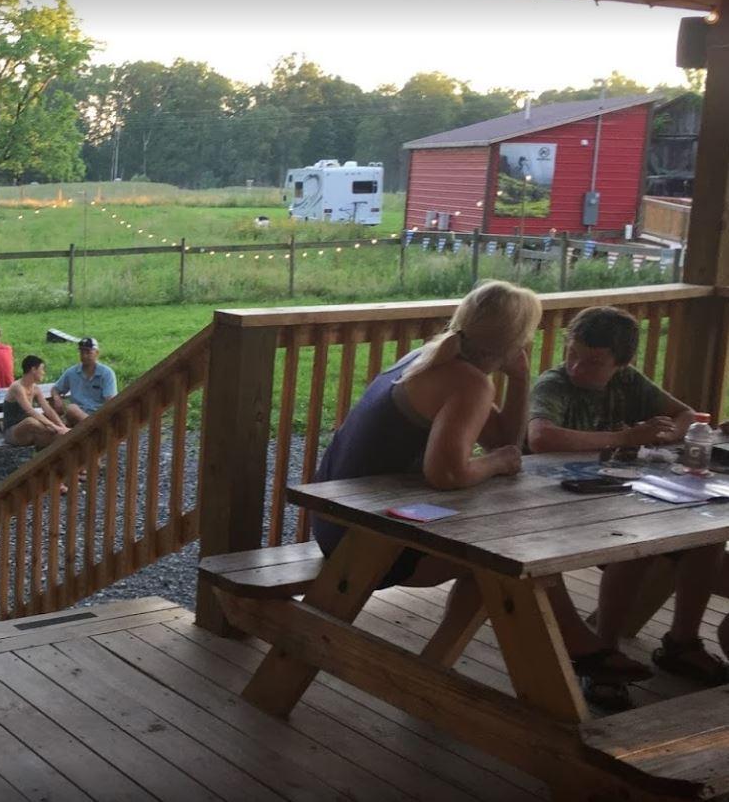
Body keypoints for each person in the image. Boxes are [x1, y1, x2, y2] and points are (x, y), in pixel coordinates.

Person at [311, 281, 644, 700]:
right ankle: (573, 652)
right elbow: (448, 475)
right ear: (518, 336)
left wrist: (520, 380)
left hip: (338, 522)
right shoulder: (466, 382)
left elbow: (503, 436)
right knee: (509, 559)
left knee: (505, 555)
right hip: (368, 543)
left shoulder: (429, 357)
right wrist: (498, 464)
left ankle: (439, 665)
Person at [527, 306, 725, 705]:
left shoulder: (630, 382)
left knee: (705, 538)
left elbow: (685, 414)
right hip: (551, 504)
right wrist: (627, 438)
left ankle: (682, 642)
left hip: (614, 493)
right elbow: (541, 439)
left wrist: (668, 433)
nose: (579, 367)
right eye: (574, 354)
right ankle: (602, 653)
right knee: (634, 544)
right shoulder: (555, 384)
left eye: (594, 361)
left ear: (622, 363)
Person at [3, 355, 68, 448]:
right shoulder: (17, 387)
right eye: (42, 369)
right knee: (30, 421)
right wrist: (54, 427)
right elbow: (30, 411)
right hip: (12, 432)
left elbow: (48, 409)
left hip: (30, 431)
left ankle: (62, 437)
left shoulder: (35, 388)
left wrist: (61, 426)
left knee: (50, 422)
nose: (43, 373)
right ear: (33, 369)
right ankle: (59, 433)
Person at [50, 337, 117, 426]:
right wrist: (56, 398)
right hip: (76, 415)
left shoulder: (106, 373)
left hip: (98, 416)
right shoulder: (72, 372)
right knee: (69, 412)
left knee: (71, 409)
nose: (84, 355)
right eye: (82, 352)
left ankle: (95, 427)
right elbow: (55, 389)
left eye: (88, 352)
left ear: (97, 353)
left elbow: (111, 401)